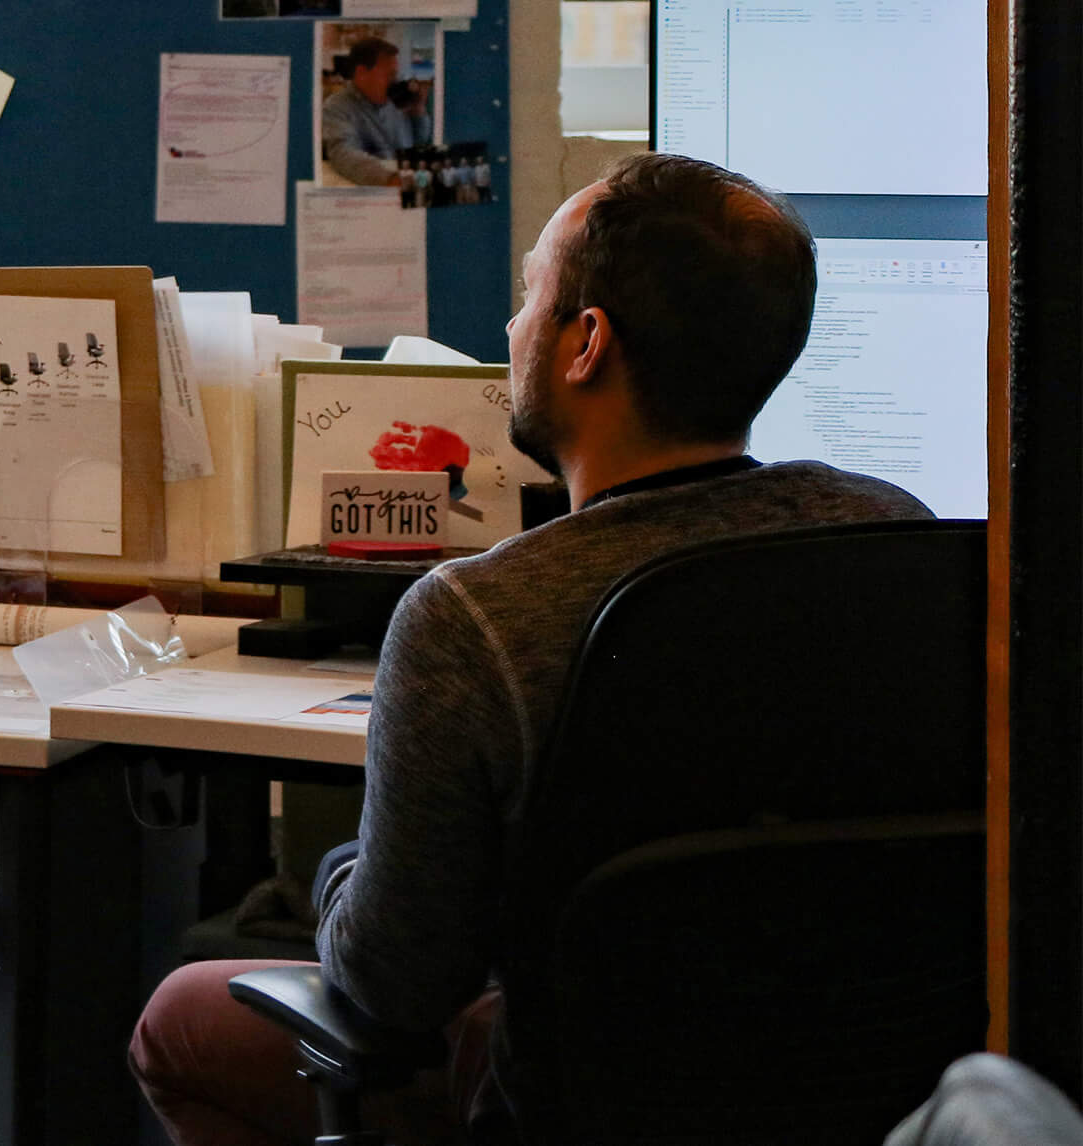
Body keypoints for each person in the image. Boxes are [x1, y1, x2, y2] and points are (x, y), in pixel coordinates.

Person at [131, 154, 933, 1146]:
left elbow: (392, 982)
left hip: (581, 1097)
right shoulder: (889, 530)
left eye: (529, 291)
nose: (512, 329)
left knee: (180, 1018)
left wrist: (346, 870)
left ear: (584, 342)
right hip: (863, 1088)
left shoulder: (478, 616)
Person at [322, 36, 422, 186]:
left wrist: (418, 112)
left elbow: (417, 142)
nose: (394, 81)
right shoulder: (336, 107)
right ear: (362, 73)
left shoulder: (391, 103)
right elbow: (343, 154)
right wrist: (389, 179)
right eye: (389, 75)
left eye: (396, 75)